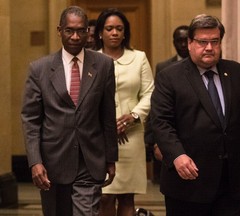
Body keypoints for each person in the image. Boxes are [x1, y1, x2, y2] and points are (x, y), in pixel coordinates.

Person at [150, 14, 240, 216]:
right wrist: (177, 155)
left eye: (215, 41)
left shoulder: (239, 73)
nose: (209, 48)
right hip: (188, 182)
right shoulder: (169, 77)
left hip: (233, 182)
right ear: (189, 43)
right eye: (202, 42)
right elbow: (161, 123)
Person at [21, 6, 118, 216]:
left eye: (81, 31)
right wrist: (35, 161)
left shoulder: (103, 65)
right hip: (52, 162)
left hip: (89, 159)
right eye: (69, 30)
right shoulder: (39, 69)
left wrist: (111, 158)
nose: (75, 36)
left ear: (88, 32)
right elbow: (31, 119)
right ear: (59, 30)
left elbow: (107, 115)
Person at [94, 8, 154, 216]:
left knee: (127, 195)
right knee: (104, 195)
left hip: (131, 137)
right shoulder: (90, 59)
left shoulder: (139, 58)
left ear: (125, 32)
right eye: (109, 28)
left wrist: (134, 116)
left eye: (119, 29)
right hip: (100, 136)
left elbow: (149, 93)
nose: (114, 33)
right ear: (100, 32)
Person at [145, 25, 189, 183]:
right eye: (179, 41)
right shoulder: (164, 68)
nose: (183, 44)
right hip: (171, 132)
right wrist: (152, 140)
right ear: (173, 42)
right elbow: (157, 105)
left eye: (186, 40)